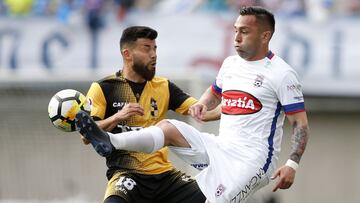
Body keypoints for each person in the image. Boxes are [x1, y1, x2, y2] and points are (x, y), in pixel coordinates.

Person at [76, 6, 310, 203]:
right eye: (235, 31)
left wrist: (292, 164)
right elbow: (214, 92)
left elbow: (300, 124)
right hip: (220, 147)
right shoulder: (230, 64)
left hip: (252, 163)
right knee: (169, 127)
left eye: (244, 32)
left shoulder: (282, 74)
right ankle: (110, 141)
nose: (236, 38)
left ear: (265, 36)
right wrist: (203, 105)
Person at [81, 26, 216, 203]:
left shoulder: (164, 87)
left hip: (165, 176)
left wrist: (233, 107)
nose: (153, 54)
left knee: (214, 198)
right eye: (146, 48)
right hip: (127, 175)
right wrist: (117, 117)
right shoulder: (103, 88)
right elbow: (87, 136)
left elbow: (200, 109)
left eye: (155, 48)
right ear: (127, 54)